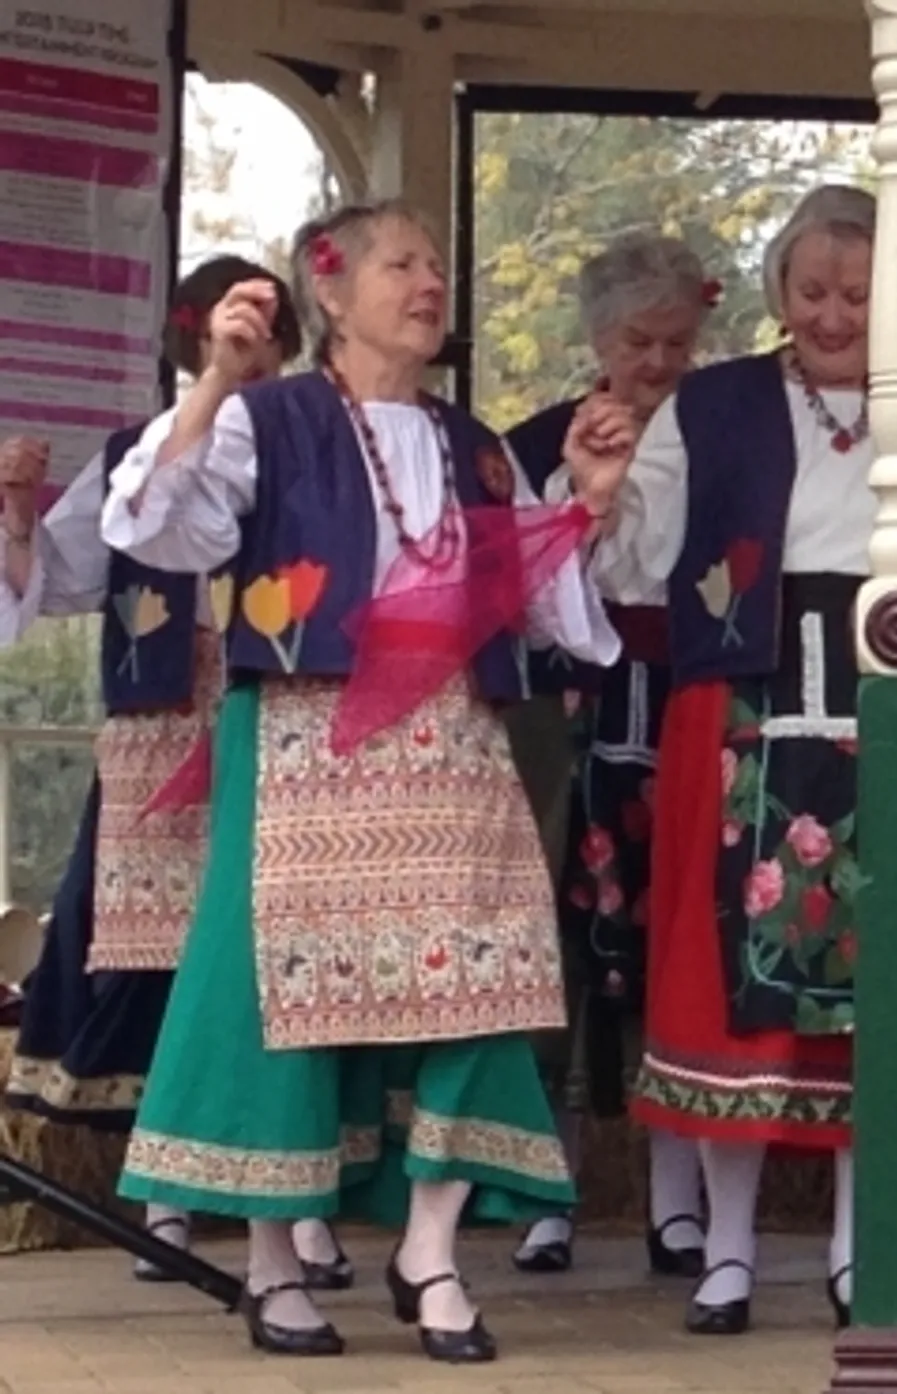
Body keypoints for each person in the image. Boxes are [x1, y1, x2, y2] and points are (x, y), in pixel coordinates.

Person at [105, 202, 619, 1362]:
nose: (430, 281)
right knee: (284, 986)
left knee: (483, 979)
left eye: (438, 264)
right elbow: (155, 526)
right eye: (403, 263)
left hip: (452, 744)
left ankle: (429, 1246)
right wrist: (213, 384)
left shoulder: (476, 442)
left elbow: (542, 611)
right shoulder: (269, 418)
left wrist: (580, 503)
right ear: (328, 291)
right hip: (302, 730)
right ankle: (275, 1257)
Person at [563, 184, 897, 1337]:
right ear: (777, 294)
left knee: (885, 990)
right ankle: (725, 1251)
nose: (832, 315)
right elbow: (632, 568)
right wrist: (602, 496)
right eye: (812, 291)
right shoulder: (711, 403)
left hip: (896, 709)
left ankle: (853, 1246)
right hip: (741, 709)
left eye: (860, 295)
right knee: (733, 992)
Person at [0, 259, 348, 1288]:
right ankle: (170, 1191)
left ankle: (302, 1202)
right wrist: (18, 508)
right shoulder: (130, 459)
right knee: (165, 962)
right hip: (162, 729)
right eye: (235, 333)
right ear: (190, 342)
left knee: (281, 952)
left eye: (272, 333)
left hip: (276, 716)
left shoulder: (309, 451)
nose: (256, 353)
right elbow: (51, 583)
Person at [499, 231, 715, 1278]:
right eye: (640, 340)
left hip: (690, 701)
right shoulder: (539, 438)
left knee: (683, 933)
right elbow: (515, 593)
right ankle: (550, 1188)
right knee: (565, 944)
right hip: (569, 711)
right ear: (595, 339)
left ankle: (678, 1200)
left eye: (679, 339)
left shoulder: (729, 433)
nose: (661, 362)